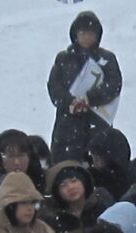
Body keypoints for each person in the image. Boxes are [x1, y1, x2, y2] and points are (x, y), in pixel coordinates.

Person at [46, 10, 124, 158]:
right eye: (83, 32)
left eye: (91, 33)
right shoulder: (64, 58)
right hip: (67, 124)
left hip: (96, 120)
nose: (87, 37)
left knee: (98, 165)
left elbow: (114, 84)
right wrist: (70, 102)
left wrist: (90, 99)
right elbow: (54, 87)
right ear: (75, 34)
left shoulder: (107, 59)